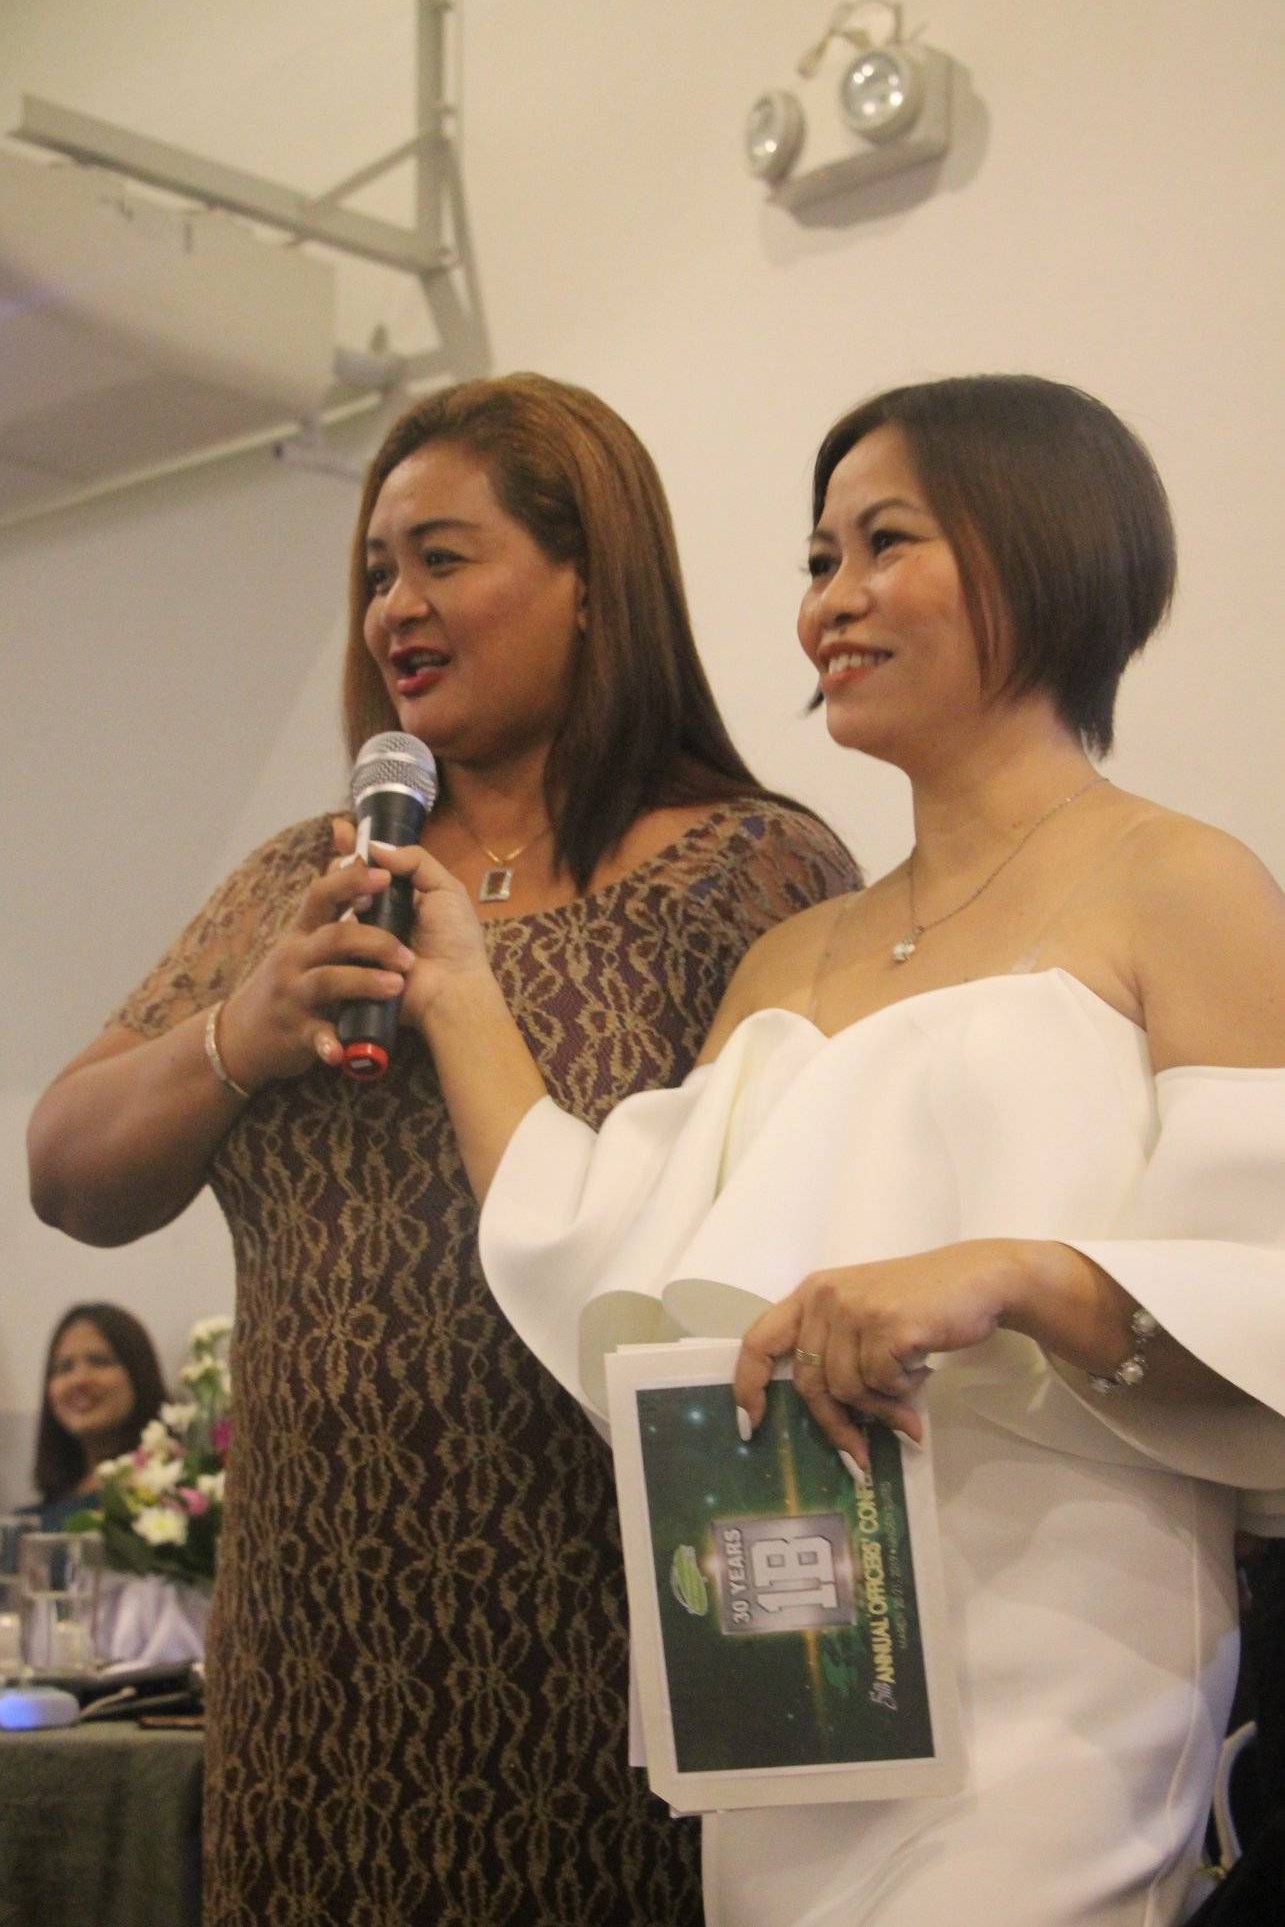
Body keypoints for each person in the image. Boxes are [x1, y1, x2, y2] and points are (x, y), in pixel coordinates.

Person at [370, 374, 1285, 1924]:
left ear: (1044, 551)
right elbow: (610, 1250)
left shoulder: (1181, 882)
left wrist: (1015, 1273)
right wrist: (455, 987)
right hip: (798, 1652)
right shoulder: (791, 954)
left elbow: (1261, 1291)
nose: (829, 602)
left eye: (883, 543)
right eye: (816, 559)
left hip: (1061, 1647)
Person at [27, 373, 858, 1925]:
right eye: (375, 571)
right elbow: (66, 1168)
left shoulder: (748, 868)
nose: (393, 608)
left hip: (615, 1628)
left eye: (442, 558)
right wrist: (242, 1031)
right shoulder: (304, 878)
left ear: (593, 581)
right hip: (314, 1660)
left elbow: (807, 1225)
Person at [25, 1302, 166, 1530]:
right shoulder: (29, 1524)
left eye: (100, 1361)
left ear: (139, 1374)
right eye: (64, 1367)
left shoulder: (169, 1502)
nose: (79, 1379)